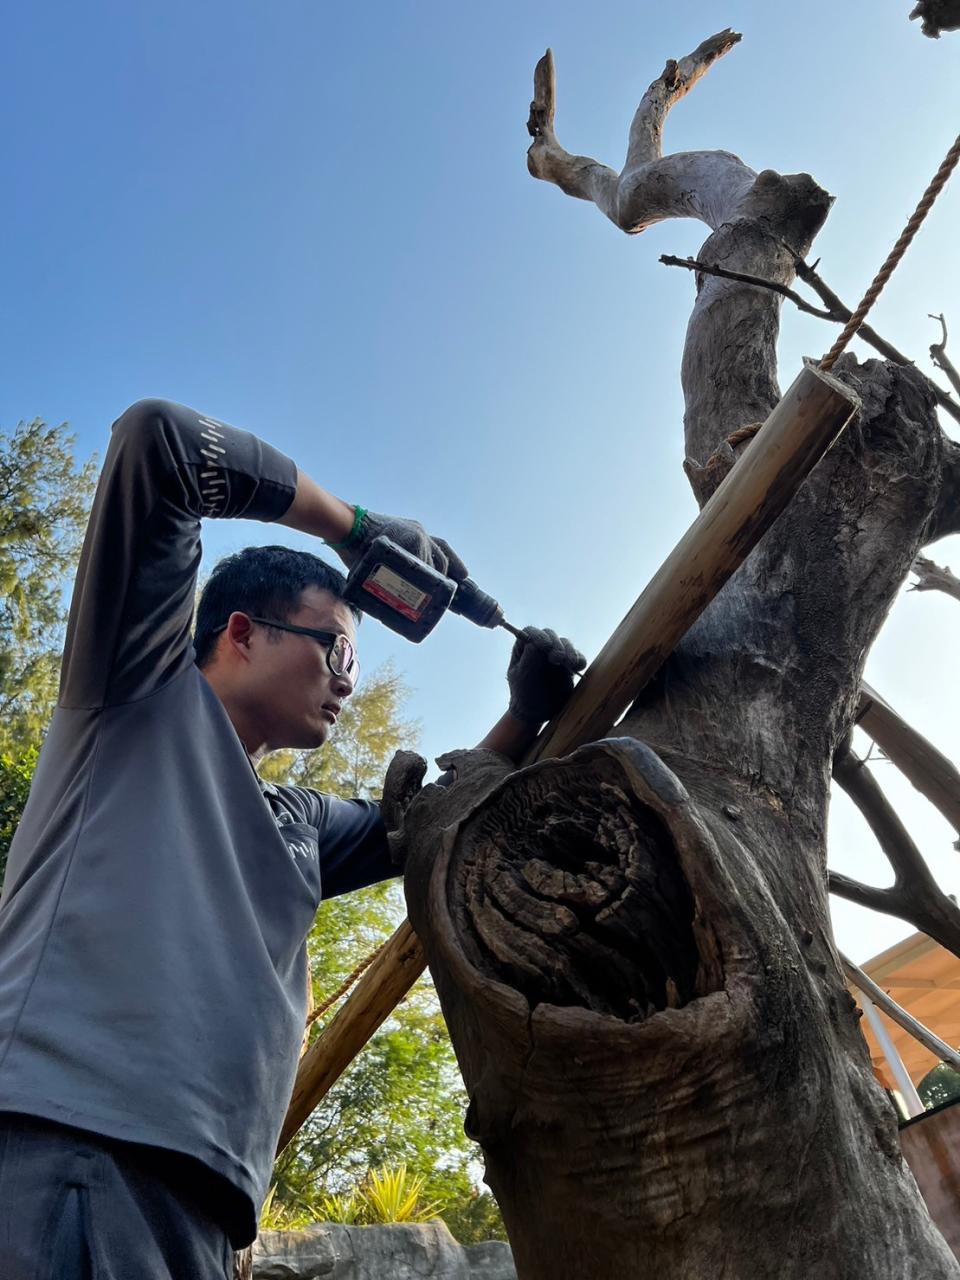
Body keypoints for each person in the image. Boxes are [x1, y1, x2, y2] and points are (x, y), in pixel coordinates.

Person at [0, 399, 584, 1279]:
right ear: (241, 634)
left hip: (202, 1204)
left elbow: (419, 826)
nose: (349, 681)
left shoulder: (298, 824)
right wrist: (353, 531)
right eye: (337, 651)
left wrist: (526, 715)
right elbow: (158, 440)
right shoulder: (137, 698)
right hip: (63, 1154)